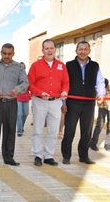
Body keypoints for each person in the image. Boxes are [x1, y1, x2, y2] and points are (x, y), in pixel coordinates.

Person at [0, 43, 29, 167]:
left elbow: (25, 82)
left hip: (11, 103)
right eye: (4, 53)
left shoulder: (19, 67)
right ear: (1, 52)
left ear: (13, 53)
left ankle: (8, 157)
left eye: (9, 54)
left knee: (10, 130)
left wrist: (17, 90)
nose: (6, 56)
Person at [61, 41, 105, 165]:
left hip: (89, 103)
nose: (83, 52)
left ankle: (83, 156)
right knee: (69, 130)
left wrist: (101, 93)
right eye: (80, 49)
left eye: (85, 49)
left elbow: (100, 81)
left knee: (86, 131)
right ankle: (66, 156)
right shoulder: (69, 65)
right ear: (76, 51)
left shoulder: (95, 66)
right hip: (72, 103)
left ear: (89, 51)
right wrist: (63, 102)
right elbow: (65, 83)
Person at [28, 39, 69, 167]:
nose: (49, 50)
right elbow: (30, 83)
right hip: (40, 101)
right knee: (38, 129)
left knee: (53, 130)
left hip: (56, 102)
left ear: (55, 49)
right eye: (47, 48)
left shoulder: (62, 66)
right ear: (43, 51)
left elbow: (66, 82)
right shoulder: (35, 66)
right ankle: (37, 155)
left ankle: (48, 155)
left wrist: (64, 91)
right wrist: (40, 92)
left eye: (52, 48)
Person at [90, 78, 110, 151]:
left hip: (109, 107)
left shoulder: (109, 88)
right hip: (102, 107)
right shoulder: (97, 90)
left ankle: (108, 144)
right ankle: (93, 143)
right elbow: (97, 100)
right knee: (99, 125)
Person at [16, 62, 31, 137]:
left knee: (25, 113)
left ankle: (21, 126)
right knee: (19, 114)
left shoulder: (27, 77)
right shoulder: (15, 77)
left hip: (26, 97)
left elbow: (29, 86)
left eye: (23, 67)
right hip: (18, 97)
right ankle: (19, 130)